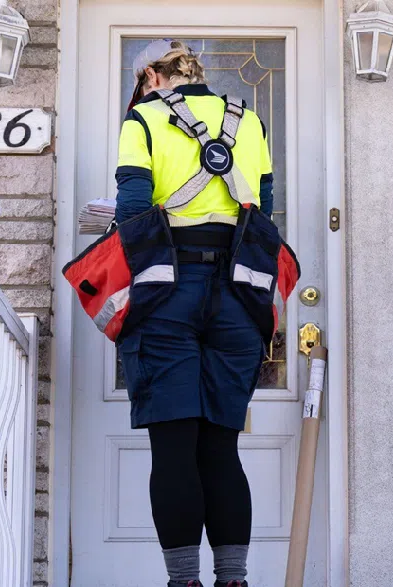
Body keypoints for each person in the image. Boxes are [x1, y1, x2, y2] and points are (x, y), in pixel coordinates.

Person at [115, 40, 274, 587]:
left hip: (167, 291)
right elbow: (263, 210)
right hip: (237, 291)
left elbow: (134, 211)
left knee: (174, 447)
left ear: (152, 78)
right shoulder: (248, 121)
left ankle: (183, 582)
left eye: (139, 85)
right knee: (221, 449)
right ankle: (234, 580)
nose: (137, 95)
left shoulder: (143, 119)